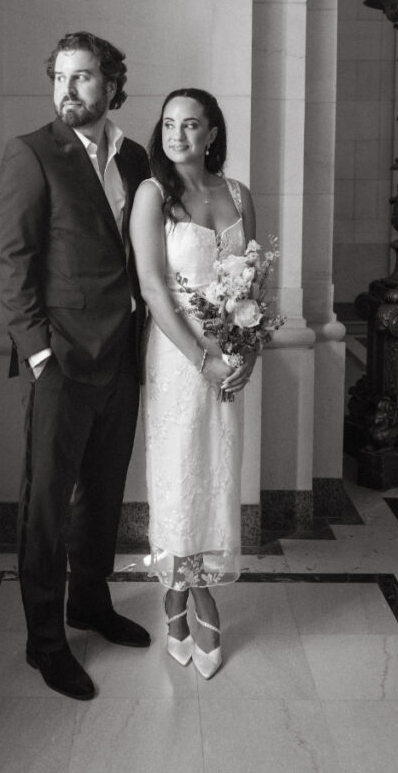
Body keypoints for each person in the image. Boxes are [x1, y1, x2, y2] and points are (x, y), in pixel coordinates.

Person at [0, 31, 151, 702]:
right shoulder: (31, 154)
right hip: (59, 360)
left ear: (112, 85)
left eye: (82, 77)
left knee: (104, 495)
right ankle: (45, 642)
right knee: (47, 508)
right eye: (59, 77)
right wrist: (37, 354)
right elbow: (12, 263)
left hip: (123, 357)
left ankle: (89, 602)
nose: (67, 90)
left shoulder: (137, 157)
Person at [129, 88, 258, 679]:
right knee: (180, 470)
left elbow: (251, 281)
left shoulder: (238, 195)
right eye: (169, 124)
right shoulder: (154, 195)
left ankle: (177, 599)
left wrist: (246, 351)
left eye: (192, 125)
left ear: (212, 134)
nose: (178, 134)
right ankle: (197, 597)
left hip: (228, 351)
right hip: (178, 355)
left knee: (215, 469)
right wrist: (201, 360)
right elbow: (154, 289)